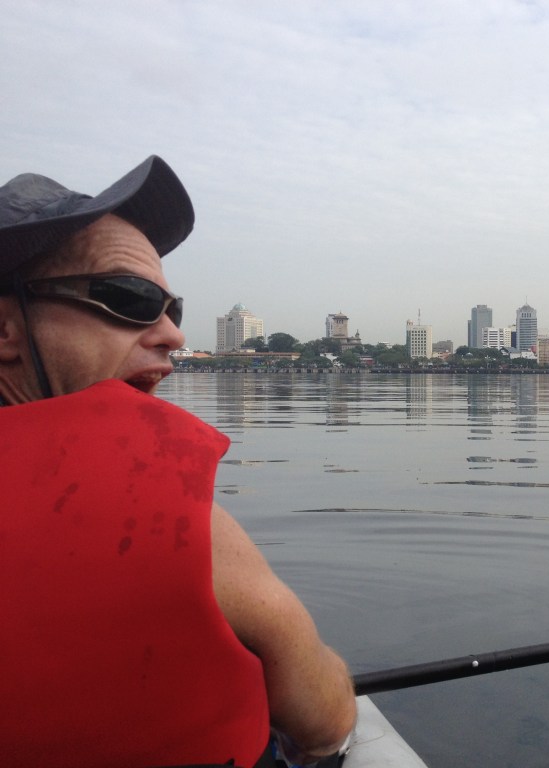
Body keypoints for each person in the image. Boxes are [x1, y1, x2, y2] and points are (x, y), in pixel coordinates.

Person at [0, 156, 357, 767]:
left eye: (173, 309)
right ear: (5, 330)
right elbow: (326, 722)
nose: (169, 333)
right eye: (129, 297)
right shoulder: (162, 518)